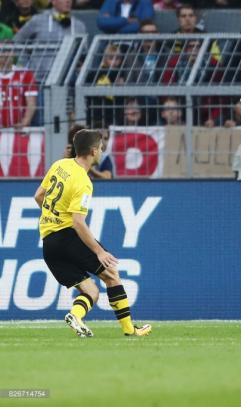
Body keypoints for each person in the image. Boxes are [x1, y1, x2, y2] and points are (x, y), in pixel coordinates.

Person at [34, 129, 151, 337]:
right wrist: (99, 251)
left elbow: (39, 196)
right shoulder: (83, 181)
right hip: (68, 237)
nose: (102, 151)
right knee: (112, 275)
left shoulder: (59, 165)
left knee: (92, 292)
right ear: (93, 151)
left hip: (49, 244)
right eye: (101, 148)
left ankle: (75, 315)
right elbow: (78, 223)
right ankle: (130, 330)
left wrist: (56, 215)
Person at [13, 0, 87, 42]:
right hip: (40, 69)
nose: (68, 1)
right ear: (53, 1)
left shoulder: (79, 26)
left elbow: (82, 54)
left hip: (67, 69)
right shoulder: (38, 20)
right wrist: (26, 64)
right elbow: (17, 41)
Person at [0, 48, 38, 129]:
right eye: (3, 51)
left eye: (9, 51)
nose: (6, 55)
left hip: (19, 130)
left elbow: (31, 104)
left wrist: (24, 123)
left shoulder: (25, 74)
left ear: (13, 54)